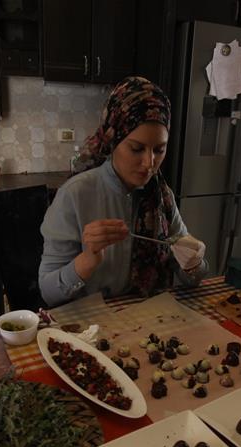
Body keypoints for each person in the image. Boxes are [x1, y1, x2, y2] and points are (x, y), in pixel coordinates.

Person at [39, 76, 208, 307]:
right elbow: (48, 293)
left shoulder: (161, 195)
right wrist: (86, 261)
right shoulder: (75, 195)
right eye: (136, 148)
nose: (149, 163)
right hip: (89, 329)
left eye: (159, 149)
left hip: (148, 321)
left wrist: (194, 262)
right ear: (113, 140)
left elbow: (191, 277)